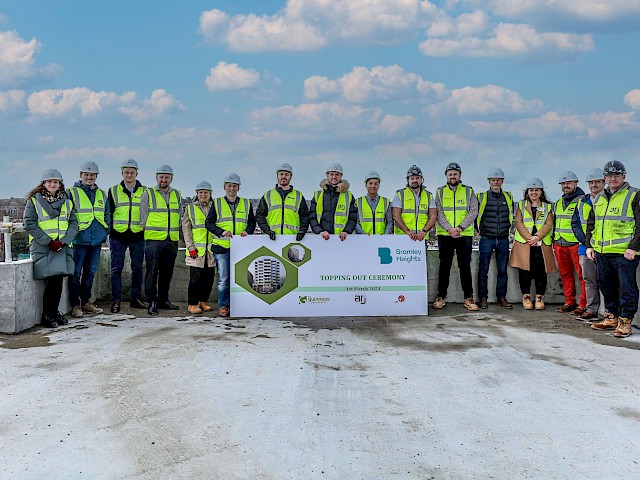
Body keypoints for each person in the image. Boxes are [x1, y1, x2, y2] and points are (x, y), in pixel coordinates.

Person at [587, 160, 640, 338]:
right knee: (606, 285)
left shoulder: (635, 195)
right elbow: (591, 223)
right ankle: (612, 316)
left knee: (627, 288)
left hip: (625, 253)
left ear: (624, 176)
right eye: (610, 175)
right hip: (602, 251)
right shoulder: (600, 197)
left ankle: (625, 321)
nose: (613, 178)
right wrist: (589, 245)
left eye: (617, 175)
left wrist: (634, 247)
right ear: (605, 178)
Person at [24, 169, 79, 327]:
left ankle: (53, 312)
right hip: (44, 246)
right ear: (44, 184)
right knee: (52, 281)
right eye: (49, 182)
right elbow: (30, 224)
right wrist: (49, 242)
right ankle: (47, 315)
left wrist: (65, 240)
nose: (52, 184)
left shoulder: (67, 201)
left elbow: (73, 223)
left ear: (60, 184)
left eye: (55, 182)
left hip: (62, 246)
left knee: (58, 280)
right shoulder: (34, 201)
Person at [205, 173, 256, 318]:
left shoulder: (246, 203)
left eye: (234, 186)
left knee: (241, 278)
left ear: (238, 188)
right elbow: (208, 223)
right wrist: (221, 232)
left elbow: (251, 222)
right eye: (229, 186)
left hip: (240, 247)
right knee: (224, 278)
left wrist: (248, 231)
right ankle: (223, 306)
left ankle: (238, 305)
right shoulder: (217, 203)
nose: (231, 188)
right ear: (224, 187)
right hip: (222, 247)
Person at [433, 162, 479, 311]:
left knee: (465, 267)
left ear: (460, 176)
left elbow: (473, 211)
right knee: (444, 267)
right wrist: (449, 229)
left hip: (463, 235)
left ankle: (468, 298)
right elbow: (437, 212)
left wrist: (459, 228)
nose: (453, 176)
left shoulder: (468, 191)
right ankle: (441, 297)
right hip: (445, 235)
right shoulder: (439, 192)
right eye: (450, 174)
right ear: (446, 176)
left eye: (455, 174)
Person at [67, 161, 110, 318]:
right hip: (79, 240)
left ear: (96, 176)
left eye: (92, 175)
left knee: (90, 273)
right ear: (81, 176)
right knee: (75, 273)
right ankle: (75, 305)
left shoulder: (101, 194)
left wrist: (105, 231)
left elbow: (107, 214)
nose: (89, 177)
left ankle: (86, 302)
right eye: (86, 175)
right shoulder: (71, 192)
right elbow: (68, 215)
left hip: (96, 240)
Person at [140, 164, 182, 316]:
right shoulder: (149, 193)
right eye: (161, 177)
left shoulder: (177, 194)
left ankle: (163, 300)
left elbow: (179, 215)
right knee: (152, 272)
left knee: (167, 272)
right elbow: (143, 217)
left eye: (167, 177)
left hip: (171, 240)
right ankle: (152, 302)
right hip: (154, 240)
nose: (164, 180)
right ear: (156, 178)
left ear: (171, 178)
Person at [509, 178, 557, 310]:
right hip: (524, 243)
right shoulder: (520, 205)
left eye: (537, 190)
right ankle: (526, 297)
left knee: (541, 271)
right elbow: (518, 222)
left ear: (541, 192)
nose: (534, 192)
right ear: (527, 192)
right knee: (524, 271)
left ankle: (540, 297)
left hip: (542, 244)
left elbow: (548, 224)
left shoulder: (548, 206)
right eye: (531, 190)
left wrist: (537, 237)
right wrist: (530, 238)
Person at [107, 158, 148, 313]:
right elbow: (108, 212)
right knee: (116, 268)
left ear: (136, 173)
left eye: (132, 172)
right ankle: (116, 300)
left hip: (137, 234)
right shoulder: (113, 190)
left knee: (137, 268)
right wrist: (110, 231)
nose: (129, 175)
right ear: (122, 173)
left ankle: (135, 299)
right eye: (126, 172)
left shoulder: (145, 191)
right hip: (118, 235)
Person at [475, 168, 514, 309]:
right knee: (483, 270)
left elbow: (511, 215)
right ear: (489, 181)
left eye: (498, 180)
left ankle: (501, 298)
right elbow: (475, 216)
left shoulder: (508, 197)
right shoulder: (481, 197)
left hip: (503, 239)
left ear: (502, 181)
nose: (496, 182)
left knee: (503, 270)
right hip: (486, 238)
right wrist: (480, 232)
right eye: (493, 180)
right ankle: (483, 298)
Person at [571, 168, 605, 320]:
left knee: (606, 280)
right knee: (588, 279)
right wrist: (586, 241)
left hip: (605, 247)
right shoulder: (582, 202)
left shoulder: (607, 200)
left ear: (603, 182)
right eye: (591, 182)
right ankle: (591, 309)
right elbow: (575, 223)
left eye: (597, 182)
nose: (594, 185)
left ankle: (607, 311)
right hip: (586, 247)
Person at [553, 171, 587, 315]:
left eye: (568, 183)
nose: (566, 186)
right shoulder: (559, 202)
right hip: (560, 244)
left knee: (582, 276)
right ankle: (569, 302)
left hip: (576, 244)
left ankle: (583, 304)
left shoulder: (583, 200)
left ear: (575, 183)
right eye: (563, 184)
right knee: (565, 274)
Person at [183, 181, 217, 315]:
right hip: (196, 251)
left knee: (208, 278)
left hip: (211, 250)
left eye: (206, 192)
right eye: (201, 192)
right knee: (195, 278)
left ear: (210, 194)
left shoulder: (215, 207)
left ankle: (203, 301)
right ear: (197, 194)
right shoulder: (190, 208)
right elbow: (186, 229)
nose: (203, 195)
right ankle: (192, 303)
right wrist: (190, 246)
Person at [255, 163, 309, 241]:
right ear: (277, 176)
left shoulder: (298, 196)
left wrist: (302, 231)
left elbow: (305, 216)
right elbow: (259, 215)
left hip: (293, 239)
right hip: (272, 239)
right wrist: (268, 231)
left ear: (291, 176)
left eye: (286, 174)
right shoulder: (268, 195)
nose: (284, 176)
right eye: (281, 174)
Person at [310, 163, 358, 241]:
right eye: (331, 174)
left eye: (337, 174)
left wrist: (346, 231)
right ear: (327, 175)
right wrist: (319, 231)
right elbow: (312, 217)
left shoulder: (348, 196)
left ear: (341, 176)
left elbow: (353, 217)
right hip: (322, 238)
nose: (334, 177)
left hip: (342, 239)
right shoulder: (318, 195)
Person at [391, 165, 435, 240]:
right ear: (408, 180)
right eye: (412, 178)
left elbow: (433, 215)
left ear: (422, 179)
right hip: (403, 237)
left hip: (422, 237)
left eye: (417, 178)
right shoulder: (400, 194)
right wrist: (407, 231)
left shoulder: (429, 195)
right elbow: (395, 215)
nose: (415, 180)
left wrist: (424, 231)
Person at [356, 171, 393, 235]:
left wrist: (385, 236)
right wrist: (363, 235)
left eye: (376, 183)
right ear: (366, 185)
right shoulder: (358, 202)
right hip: (362, 240)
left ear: (379, 185)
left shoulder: (386, 202)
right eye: (370, 183)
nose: (373, 186)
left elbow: (389, 222)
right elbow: (355, 222)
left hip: (381, 241)